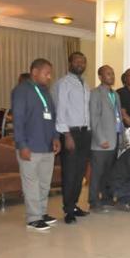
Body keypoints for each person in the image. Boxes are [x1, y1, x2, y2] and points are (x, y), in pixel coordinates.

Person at [12, 58, 61, 230]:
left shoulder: (45, 92)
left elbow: (53, 117)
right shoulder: (21, 91)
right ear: (34, 72)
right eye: (46, 73)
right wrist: (22, 144)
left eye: (50, 74)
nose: (49, 77)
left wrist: (56, 137)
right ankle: (33, 218)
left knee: (44, 183)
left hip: (47, 146)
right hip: (30, 147)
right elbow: (18, 120)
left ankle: (41, 212)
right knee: (31, 183)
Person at [52, 51, 91, 224]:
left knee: (80, 172)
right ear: (70, 63)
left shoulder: (85, 84)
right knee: (70, 172)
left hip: (85, 133)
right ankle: (68, 210)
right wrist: (66, 134)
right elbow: (60, 110)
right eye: (77, 61)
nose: (80, 64)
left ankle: (74, 204)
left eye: (83, 61)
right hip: (71, 133)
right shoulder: (63, 83)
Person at [89, 65, 123, 213]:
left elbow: (119, 118)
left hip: (114, 138)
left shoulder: (115, 94)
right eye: (108, 74)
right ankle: (94, 201)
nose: (111, 76)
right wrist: (100, 138)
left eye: (113, 73)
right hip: (101, 142)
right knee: (97, 173)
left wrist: (120, 137)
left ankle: (107, 198)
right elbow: (94, 118)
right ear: (101, 77)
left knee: (109, 173)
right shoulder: (95, 93)